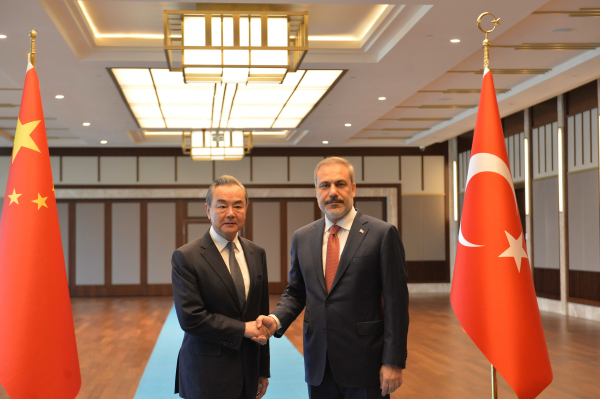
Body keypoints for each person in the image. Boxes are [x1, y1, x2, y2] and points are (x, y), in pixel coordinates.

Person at [257, 157, 409, 399]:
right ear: (316, 190)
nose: (333, 192)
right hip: (319, 364)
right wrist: (276, 320)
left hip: (366, 365)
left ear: (353, 188)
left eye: (340, 184)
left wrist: (393, 362)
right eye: (325, 185)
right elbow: (297, 292)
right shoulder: (302, 237)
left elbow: (396, 304)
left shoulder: (382, 234)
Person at [172, 175, 271, 399]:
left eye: (238, 205)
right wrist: (243, 329)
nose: (230, 213)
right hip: (205, 374)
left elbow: (261, 316)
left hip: (248, 370)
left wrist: (263, 370)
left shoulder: (257, 253)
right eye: (222, 206)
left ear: (246, 208)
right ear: (208, 210)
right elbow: (191, 318)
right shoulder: (187, 257)